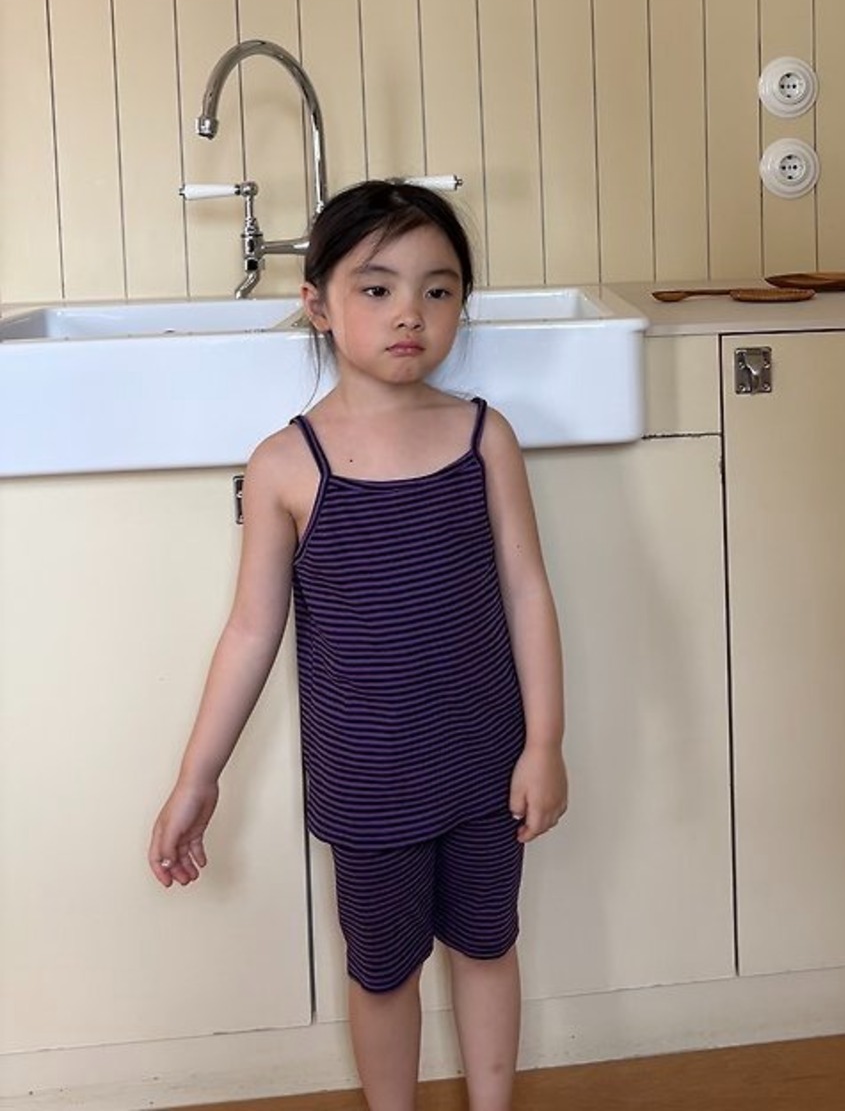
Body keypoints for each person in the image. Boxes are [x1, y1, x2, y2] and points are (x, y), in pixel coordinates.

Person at [148, 180, 568, 1111]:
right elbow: (251, 631)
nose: (410, 312)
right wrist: (197, 776)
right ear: (319, 304)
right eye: (377, 288)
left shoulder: (484, 437)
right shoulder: (285, 464)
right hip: (369, 783)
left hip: (485, 765)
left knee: (489, 944)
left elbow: (528, 591)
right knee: (383, 969)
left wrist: (544, 742)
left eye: (438, 288)